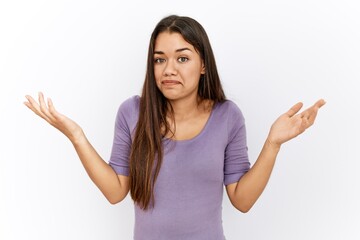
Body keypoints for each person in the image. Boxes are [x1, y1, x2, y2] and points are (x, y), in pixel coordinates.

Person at [24, 15, 325, 240]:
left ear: (203, 64)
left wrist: (273, 143)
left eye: (182, 58)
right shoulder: (132, 112)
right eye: (159, 60)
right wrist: (77, 137)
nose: (169, 69)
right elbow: (116, 191)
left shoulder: (228, 116)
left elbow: (242, 200)